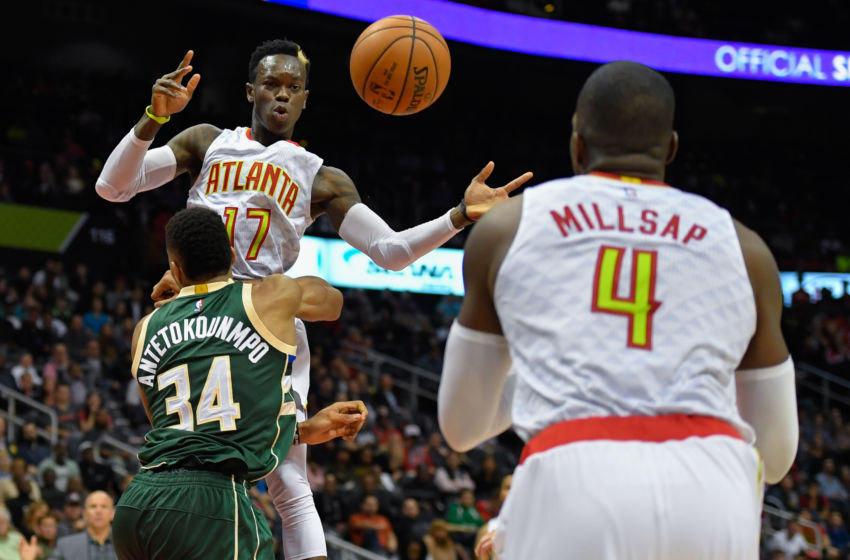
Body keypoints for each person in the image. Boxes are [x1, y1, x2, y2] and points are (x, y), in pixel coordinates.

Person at [94, 40, 532, 560]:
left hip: (264, 318)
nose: (282, 95)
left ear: (305, 99)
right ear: (250, 90)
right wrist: (151, 119)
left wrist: (457, 215)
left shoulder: (321, 176)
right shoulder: (205, 141)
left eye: (293, 88)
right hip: (197, 310)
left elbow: (389, 252)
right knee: (191, 453)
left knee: (288, 480)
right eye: (272, 84)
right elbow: (112, 187)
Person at [437, 60, 799, 558]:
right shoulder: (747, 248)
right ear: (670, 148)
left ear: (577, 144)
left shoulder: (506, 228)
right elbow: (776, 456)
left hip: (575, 478)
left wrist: (557, 358)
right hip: (715, 490)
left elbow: (461, 426)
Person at [109, 207, 366, 560]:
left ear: (176, 269)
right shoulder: (266, 296)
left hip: (137, 506)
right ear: (231, 255)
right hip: (211, 507)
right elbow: (331, 301)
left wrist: (302, 432)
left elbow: (180, 428)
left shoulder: (145, 328)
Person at [20, 490, 118, 560]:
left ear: (112, 513)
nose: (98, 511)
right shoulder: (66, 545)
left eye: (104, 506)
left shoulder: (129, 544)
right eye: (93, 506)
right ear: (84, 514)